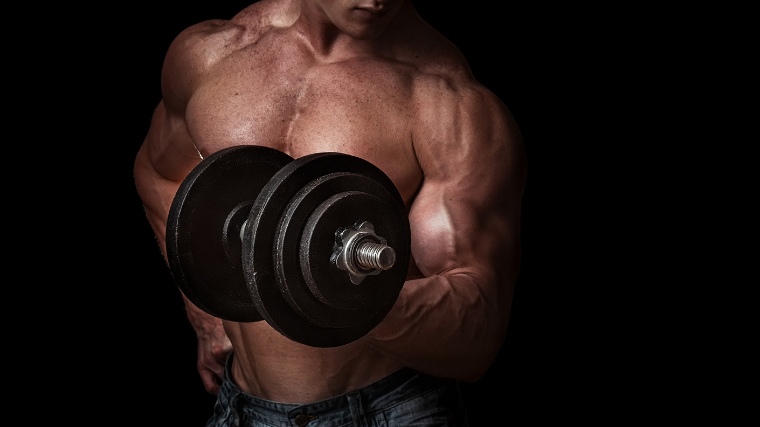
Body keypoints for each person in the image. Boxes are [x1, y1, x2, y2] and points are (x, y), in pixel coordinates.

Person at [134, 0, 526, 425]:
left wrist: (336, 297)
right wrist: (202, 308)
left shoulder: (448, 104)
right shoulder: (212, 55)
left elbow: (477, 333)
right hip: (241, 409)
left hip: (387, 411)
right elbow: (158, 172)